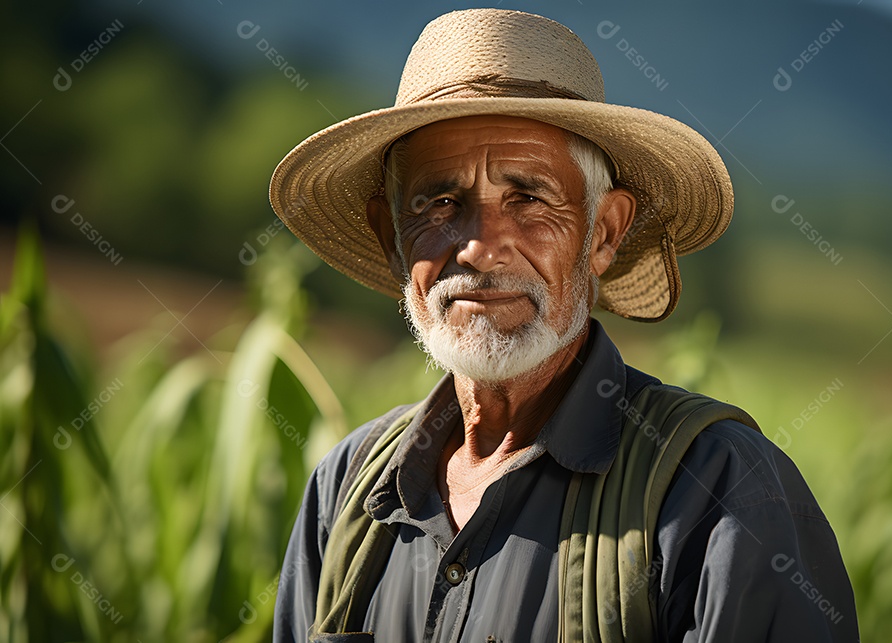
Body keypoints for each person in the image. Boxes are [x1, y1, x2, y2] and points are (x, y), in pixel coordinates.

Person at [269, 8, 857, 643]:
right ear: (393, 237)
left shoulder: (717, 490)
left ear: (602, 233)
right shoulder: (347, 489)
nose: (479, 248)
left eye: (528, 199)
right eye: (441, 203)